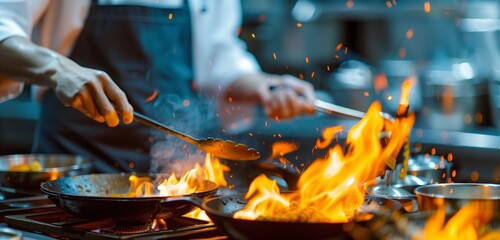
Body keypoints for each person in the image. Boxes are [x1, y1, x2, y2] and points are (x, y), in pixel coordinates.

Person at [0, 0, 315, 173]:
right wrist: (59, 69)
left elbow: (219, 59)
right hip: (74, 178)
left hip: (173, 182)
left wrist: (263, 87)